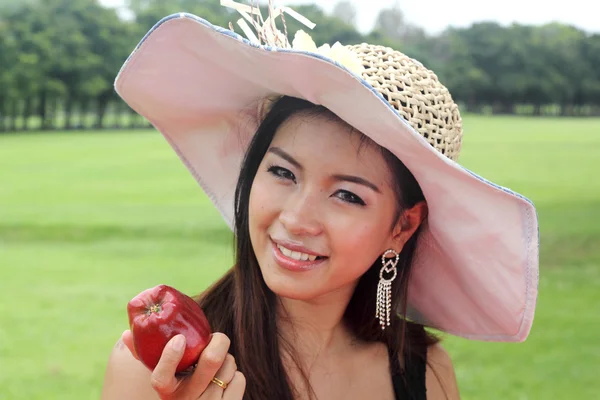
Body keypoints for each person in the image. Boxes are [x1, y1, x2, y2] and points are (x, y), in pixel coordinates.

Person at [101, 2, 540, 399]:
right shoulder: (159, 370)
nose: (296, 218)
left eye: (347, 195)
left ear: (402, 227)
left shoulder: (424, 373)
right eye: (282, 172)